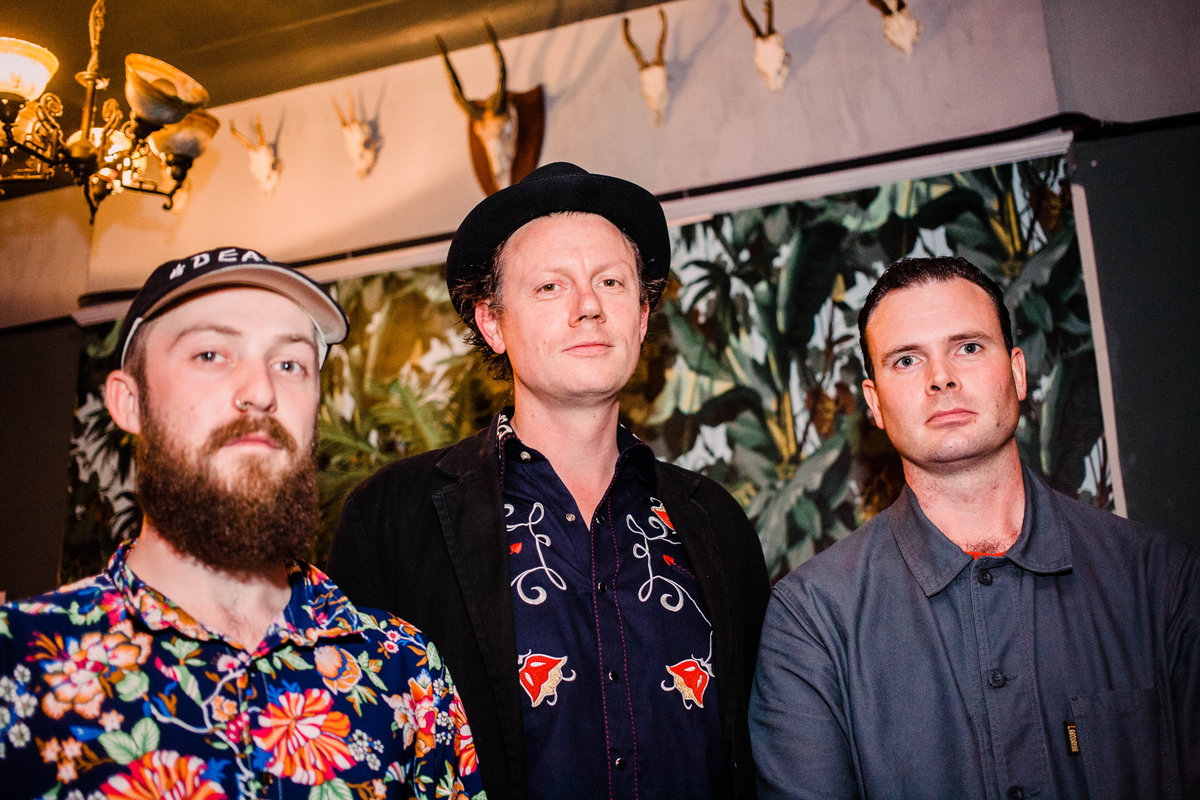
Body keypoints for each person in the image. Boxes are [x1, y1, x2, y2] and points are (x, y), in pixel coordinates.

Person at [328, 162, 770, 800]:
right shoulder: (394, 518)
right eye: (549, 287)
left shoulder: (715, 522)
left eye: (611, 282)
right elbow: (362, 747)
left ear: (642, 317)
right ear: (492, 324)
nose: (588, 306)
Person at [0, 246, 484, 799]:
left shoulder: (403, 668)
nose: (261, 391)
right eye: (211, 354)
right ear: (129, 402)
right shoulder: (20, 661)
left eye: (289, 364)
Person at [749, 256, 1200, 799]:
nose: (941, 378)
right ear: (875, 403)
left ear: (1017, 372)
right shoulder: (813, 621)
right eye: (907, 360)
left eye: (967, 347)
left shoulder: (1159, 582)